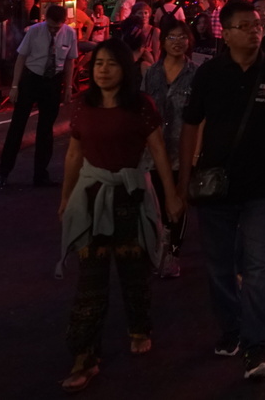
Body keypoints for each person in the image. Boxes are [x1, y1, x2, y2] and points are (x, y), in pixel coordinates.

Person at [178, 0, 265, 380]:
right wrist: (182, 179)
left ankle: (257, 343)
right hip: (215, 185)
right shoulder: (210, 74)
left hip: (262, 184)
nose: (255, 30)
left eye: (257, 25)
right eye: (245, 26)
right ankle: (232, 328)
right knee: (218, 266)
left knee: (259, 266)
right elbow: (190, 126)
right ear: (227, 32)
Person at [56, 42, 182, 391]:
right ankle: (84, 355)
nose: (103, 70)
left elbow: (158, 151)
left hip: (130, 194)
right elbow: (73, 155)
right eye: (98, 64)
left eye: (111, 64)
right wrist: (66, 198)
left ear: (125, 69)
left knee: (133, 269)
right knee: (90, 279)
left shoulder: (141, 106)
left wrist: (171, 195)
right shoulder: (82, 106)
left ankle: (139, 327)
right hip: (91, 196)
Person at [0, 3, 77, 188]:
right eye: (50, 26)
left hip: (53, 81)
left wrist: (68, 88)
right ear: (45, 20)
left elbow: (69, 62)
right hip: (32, 78)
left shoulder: (69, 34)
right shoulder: (34, 31)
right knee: (18, 125)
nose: (53, 30)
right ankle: (4, 172)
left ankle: (40, 174)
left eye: (57, 27)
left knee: (46, 130)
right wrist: (15, 86)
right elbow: (21, 58)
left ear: (64, 23)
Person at [141, 20, 197, 278]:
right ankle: (157, 248)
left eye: (182, 37)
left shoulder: (196, 74)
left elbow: (201, 117)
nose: (177, 41)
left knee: (177, 200)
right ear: (162, 42)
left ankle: (173, 253)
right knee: (158, 203)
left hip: (181, 150)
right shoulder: (151, 73)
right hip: (153, 150)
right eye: (172, 37)